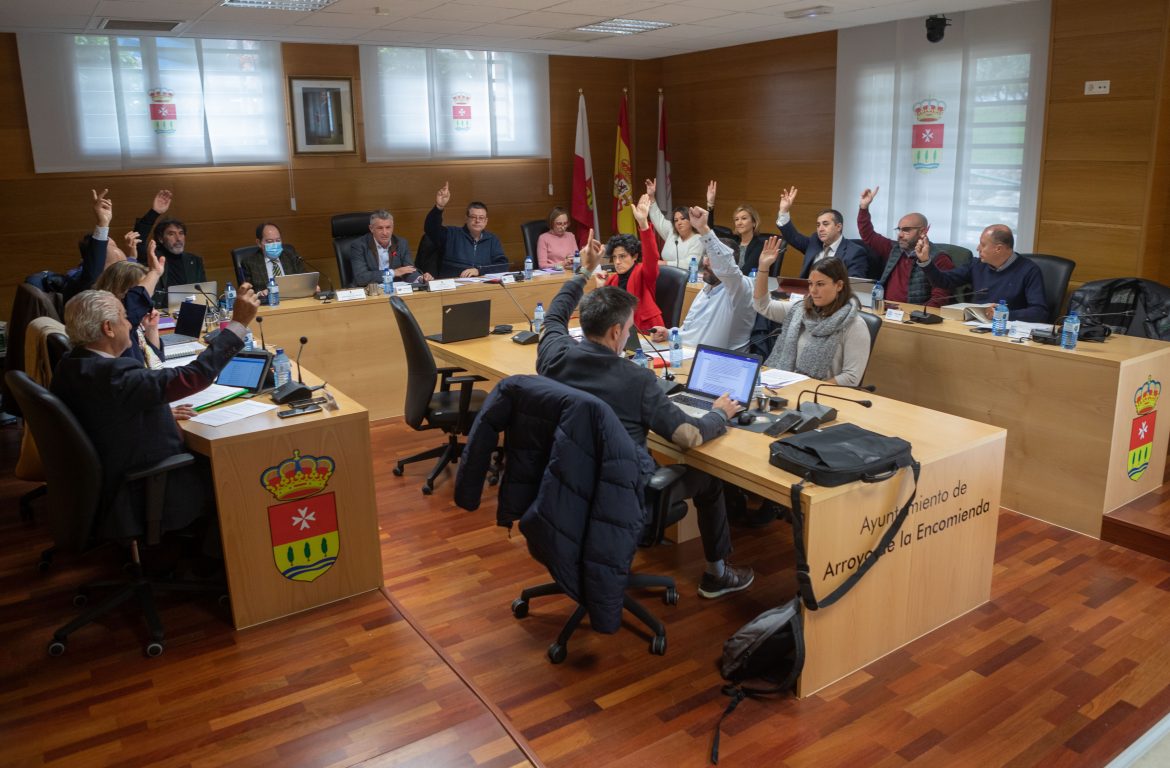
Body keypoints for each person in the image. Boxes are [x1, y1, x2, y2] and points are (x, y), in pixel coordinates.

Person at [536, 239, 755, 599]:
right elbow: (688, 436)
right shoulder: (636, 380)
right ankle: (717, 574)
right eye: (627, 329)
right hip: (621, 496)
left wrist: (584, 270)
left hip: (566, 487)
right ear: (614, 333)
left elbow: (556, 316)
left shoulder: (554, 355)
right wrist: (719, 414)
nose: (629, 334)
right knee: (708, 478)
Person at [51, 284, 260, 542]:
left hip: (106, 474)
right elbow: (193, 377)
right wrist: (238, 323)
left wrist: (155, 410)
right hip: (141, 484)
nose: (129, 324)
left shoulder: (70, 365)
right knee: (237, 470)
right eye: (125, 318)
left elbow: (107, 411)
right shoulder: (114, 375)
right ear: (108, 328)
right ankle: (212, 560)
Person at [753, 243, 871, 386]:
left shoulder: (854, 325)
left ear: (839, 285)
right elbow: (762, 305)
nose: (813, 291)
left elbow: (851, 377)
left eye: (820, 284)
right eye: (810, 284)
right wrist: (763, 268)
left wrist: (808, 389)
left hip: (819, 396)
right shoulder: (799, 311)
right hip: (785, 388)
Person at [647, 206, 754, 350]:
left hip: (723, 361)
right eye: (705, 257)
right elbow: (690, 332)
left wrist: (703, 228)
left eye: (711, 259)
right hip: (689, 354)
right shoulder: (706, 289)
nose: (704, 262)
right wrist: (669, 333)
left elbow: (724, 262)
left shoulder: (739, 288)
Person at [916, 225, 1049, 322]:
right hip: (975, 326)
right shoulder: (977, 264)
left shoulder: (1029, 270)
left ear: (998, 249)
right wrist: (926, 261)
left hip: (1006, 332)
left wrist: (1003, 314)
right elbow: (944, 281)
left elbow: (1039, 312)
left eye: (983, 244)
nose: (978, 248)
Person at [857, 186, 953, 307]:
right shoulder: (895, 248)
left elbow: (940, 299)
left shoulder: (939, 258)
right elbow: (868, 235)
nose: (900, 235)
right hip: (886, 310)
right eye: (899, 230)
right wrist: (863, 208)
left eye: (906, 230)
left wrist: (913, 315)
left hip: (914, 317)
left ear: (923, 232)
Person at [590, 194, 664, 337]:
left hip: (647, 332)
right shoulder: (612, 280)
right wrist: (600, 287)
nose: (617, 262)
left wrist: (643, 224)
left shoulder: (644, 273)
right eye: (615, 257)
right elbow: (602, 311)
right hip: (622, 335)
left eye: (622, 256)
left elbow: (652, 256)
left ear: (635, 256)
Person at [775, 186, 870, 279]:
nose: (820, 229)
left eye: (825, 224)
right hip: (806, 292)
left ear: (838, 227)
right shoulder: (814, 241)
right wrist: (784, 210)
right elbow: (793, 237)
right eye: (818, 225)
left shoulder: (854, 252)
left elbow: (853, 287)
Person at [424, 182, 508, 278]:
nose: (477, 221)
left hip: (482, 286)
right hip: (454, 286)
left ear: (486, 221)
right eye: (473, 217)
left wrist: (479, 270)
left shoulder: (492, 239)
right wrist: (439, 207)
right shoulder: (452, 234)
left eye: (481, 218)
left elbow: (502, 266)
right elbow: (430, 229)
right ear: (466, 218)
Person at [133, 190, 206, 295]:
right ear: (161, 238)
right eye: (171, 234)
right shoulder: (152, 258)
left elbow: (204, 292)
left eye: (181, 233)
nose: (178, 238)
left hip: (189, 308)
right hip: (160, 310)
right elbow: (138, 239)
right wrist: (154, 213)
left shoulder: (195, 261)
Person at [644, 179, 712, 269]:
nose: (679, 223)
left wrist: (665, 263)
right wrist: (651, 197)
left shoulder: (698, 239)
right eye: (676, 220)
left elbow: (690, 263)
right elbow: (658, 219)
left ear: (691, 220)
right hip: (665, 274)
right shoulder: (671, 233)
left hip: (689, 278)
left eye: (683, 219)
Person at [349, 209, 426, 287]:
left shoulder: (401, 243)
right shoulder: (359, 245)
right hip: (370, 291)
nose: (385, 233)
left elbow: (409, 270)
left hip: (395, 289)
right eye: (380, 228)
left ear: (392, 228)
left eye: (388, 227)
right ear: (371, 228)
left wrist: (420, 278)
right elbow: (361, 278)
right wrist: (393, 273)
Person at [238, 223, 310, 294]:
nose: (275, 244)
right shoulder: (249, 263)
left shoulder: (291, 256)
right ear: (259, 243)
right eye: (270, 241)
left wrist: (310, 287)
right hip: (267, 303)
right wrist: (260, 294)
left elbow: (305, 280)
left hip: (294, 301)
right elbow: (247, 292)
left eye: (278, 240)